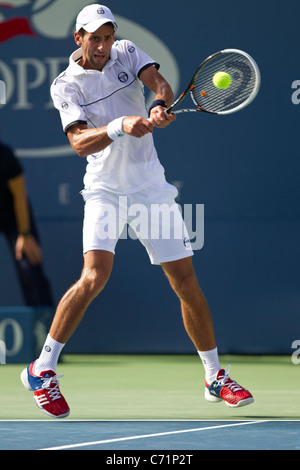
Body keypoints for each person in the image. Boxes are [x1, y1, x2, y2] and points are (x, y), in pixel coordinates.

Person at [21, 4, 253, 419]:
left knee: (185, 280)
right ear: (79, 38)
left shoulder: (126, 51)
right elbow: (78, 142)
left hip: (150, 186)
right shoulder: (65, 85)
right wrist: (119, 126)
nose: (104, 45)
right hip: (105, 190)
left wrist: (159, 105)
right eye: (95, 38)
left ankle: (214, 376)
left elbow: (159, 83)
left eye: (108, 36)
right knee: (94, 276)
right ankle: (43, 368)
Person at [0, 138, 54, 307]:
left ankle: (45, 329)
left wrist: (25, 234)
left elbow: (20, 197)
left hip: (13, 218)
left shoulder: (5, 155)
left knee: (30, 270)